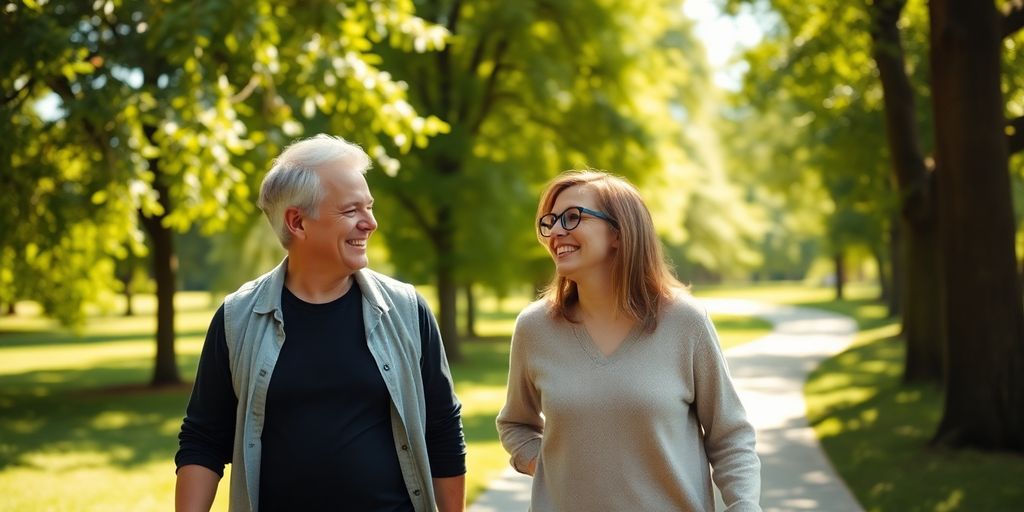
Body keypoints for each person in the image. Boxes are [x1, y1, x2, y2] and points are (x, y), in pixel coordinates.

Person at [175, 134, 466, 512]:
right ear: (297, 221)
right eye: (351, 210)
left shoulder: (407, 310)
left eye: (369, 207)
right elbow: (204, 439)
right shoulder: (237, 318)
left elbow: (442, 431)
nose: (371, 223)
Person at [496, 170, 761, 511]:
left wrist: (744, 507)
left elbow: (731, 437)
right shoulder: (535, 328)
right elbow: (515, 424)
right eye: (550, 222)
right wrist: (547, 467)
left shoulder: (686, 322)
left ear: (619, 233)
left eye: (572, 217)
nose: (556, 232)